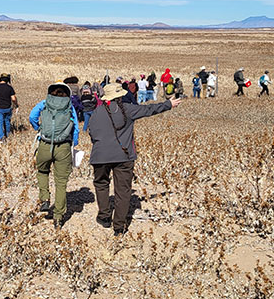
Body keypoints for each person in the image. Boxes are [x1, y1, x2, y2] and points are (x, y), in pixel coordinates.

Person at [89, 84, 180, 236]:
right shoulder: (127, 109)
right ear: (120, 95)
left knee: (101, 184)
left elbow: (92, 133)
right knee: (123, 191)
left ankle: (104, 217)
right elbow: (148, 110)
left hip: (100, 156)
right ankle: (118, 227)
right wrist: (168, 104)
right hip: (124, 156)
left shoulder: (96, 112)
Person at [30, 83, 79, 229]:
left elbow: (32, 116)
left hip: (45, 144)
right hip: (63, 146)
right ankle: (58, 217)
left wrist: (38, 129)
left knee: (42, 171)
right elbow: (75, 127)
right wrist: (73, 144)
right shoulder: (70, 106)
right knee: (61, 182)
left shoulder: (44, 103)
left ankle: (44, 198)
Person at [0, 73, 17, 141]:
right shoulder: (9, 88)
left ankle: (1, 137)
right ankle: (8, 135)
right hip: (7, 108)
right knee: (7, 122)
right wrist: (16, 104)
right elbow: (13, 99)